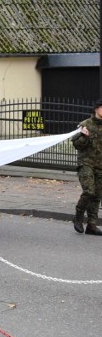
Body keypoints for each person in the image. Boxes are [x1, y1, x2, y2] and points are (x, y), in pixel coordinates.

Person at [71, 99, 102, 236]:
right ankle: (78, 216)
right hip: (86, 164)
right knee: (89, 191)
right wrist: (84, 136)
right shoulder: (85, 125)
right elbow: (77, 145)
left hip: (100, 166)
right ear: (96, 109)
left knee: (96, 196)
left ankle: (91, 225)